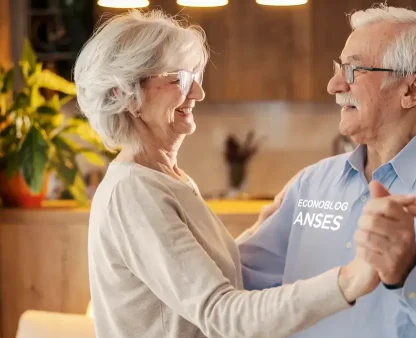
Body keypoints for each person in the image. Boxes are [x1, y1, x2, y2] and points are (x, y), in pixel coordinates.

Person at [74, 10, 385, 338]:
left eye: (196, 77)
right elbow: (221, 313)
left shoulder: (166, 178)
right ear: (124, 94)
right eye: (179, 79)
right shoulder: (135, 192)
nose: (197, 93)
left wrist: (261, 227)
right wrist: (348, 280)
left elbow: (190, 279)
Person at [238, 4, 416, 338]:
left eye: (353, 70)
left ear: (411, 90)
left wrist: (411, 269)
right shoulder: (311, 184)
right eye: (338, 68)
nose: (333, 85)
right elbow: (235, 286)